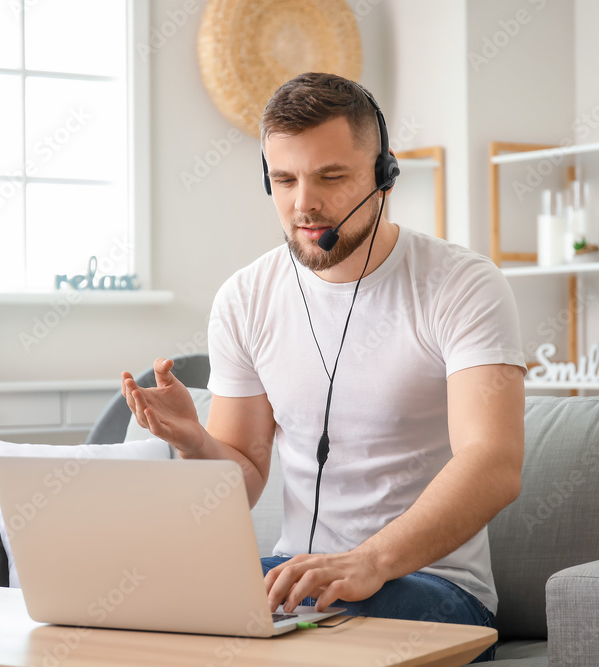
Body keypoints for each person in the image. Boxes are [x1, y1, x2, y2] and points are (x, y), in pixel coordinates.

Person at [122, 72, 526, 662]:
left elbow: (493, 464)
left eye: (330, 177)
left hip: (433, 587)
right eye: (283, 179)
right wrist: (194, 443)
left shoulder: (462, 285)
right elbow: (247, 470)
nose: (303, 203)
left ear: (384, 176)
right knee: (146, 602)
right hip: (298, 577)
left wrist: (369, 561)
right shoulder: (245, 297)